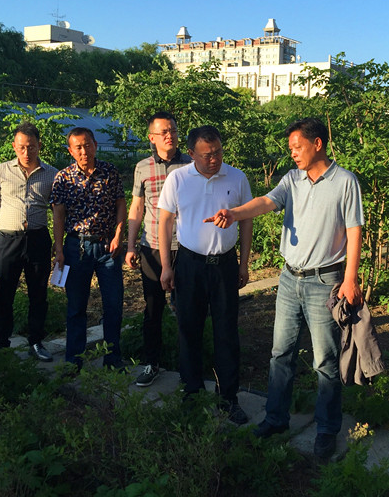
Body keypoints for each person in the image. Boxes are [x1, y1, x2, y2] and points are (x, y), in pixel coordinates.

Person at [206, 117, 364, 459]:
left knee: (325, 361)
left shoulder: (345, 181)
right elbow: (266, 202)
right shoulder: (292, 179)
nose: (292, 152)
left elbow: (354, 232)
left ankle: (326, 429)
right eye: (290, 148)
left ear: (317, 144)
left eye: (297, 146)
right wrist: (234, 213)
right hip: (290, 278)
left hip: (325, 281)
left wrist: (350, 278)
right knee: (281, 354)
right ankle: (276, 418)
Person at [158, 125, 252, 423]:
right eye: (207, 155)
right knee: (189, 330)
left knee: (227, 332)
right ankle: (192, 394)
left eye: (218, 152)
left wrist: (244, 264)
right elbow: (165, 222)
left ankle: (228, 398)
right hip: (190, 265)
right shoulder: (178, 179)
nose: (214, 159)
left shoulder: (236, 177)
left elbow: (247, 221)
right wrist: (166, 266)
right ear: (191, 153)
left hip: (225, 264)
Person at [125, 112, 191, 387]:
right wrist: (130, 246)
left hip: (186, 247)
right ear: (152, 137)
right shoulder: (142, 168)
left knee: (187, 309)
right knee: (153, 309)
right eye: (163, 132)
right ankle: (151, 363)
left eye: (173, 130)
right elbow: (137, 208)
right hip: (151, 247)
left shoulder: (191, 164)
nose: (170, 135)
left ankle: (189, 369)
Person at [51, 127, 126, 370]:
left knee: (113, 304)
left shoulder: (109, 172)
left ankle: (113, 360)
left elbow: (121, 204)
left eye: (88, 145)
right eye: (78, 147)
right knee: (76, 307)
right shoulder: (63, 177)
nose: (84, 151)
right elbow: (58, 216)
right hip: (77, 246)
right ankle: (74, 361)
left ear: (95, 145)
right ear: (70, 151)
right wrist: (59, 249)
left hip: (107, 247)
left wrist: (119, 235)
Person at [0, 122, 58, 361]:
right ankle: (2, 344)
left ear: (39, 146)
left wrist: (59, 243)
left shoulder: (52, 174)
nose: (27, 152)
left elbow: (58, 211)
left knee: (38, 294)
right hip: (7, 239)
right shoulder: (1, 171)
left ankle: (36, 342)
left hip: (37, 239)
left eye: (32, 147)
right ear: (14, 146)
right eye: (22, 147)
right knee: (3, 293)